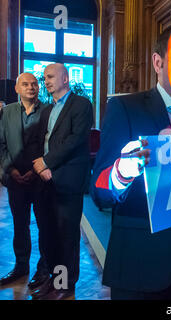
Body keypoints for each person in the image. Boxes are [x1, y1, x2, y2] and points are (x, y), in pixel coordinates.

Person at [90, 24, 171, 300]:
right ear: (158, 62)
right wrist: (123, 171)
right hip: (140, 265)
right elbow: (99, 192)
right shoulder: (125, 109)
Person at [30, 63, 93, 300]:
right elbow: (40, 139)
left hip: (68, 181)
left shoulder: (81, 104)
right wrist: (41, 167)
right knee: (50, 235)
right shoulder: (48, 109)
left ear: (65, 78)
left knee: (67, 236)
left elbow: (75, 140)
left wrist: (46, 162)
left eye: (50, 77)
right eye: (44, 77)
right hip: (46, 181)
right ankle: (53, 281)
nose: (46, 81)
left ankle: (65, 286)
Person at [0, 73, 50, 289]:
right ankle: (21, 266)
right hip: (15, 180)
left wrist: (34, 169)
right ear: (17, 89)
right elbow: (1, 143)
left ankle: (44, 269)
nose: (31, 87)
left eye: (34, 84)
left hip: (40, 179)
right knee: (20, 225)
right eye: (26, 84)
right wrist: (10, 170)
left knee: (44, 225)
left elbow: (51, 143)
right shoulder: (7, 111)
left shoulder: (48, 110)